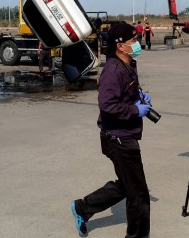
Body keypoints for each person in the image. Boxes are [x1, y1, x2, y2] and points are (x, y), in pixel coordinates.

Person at [71, 22, 152, 238]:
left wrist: (139, 98)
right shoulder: (112, 70)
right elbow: (107, 105)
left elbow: (124, 95)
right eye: (133, 41)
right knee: (138, 194)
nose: (137, 44)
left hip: (125, 135)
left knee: (128, 186)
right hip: (118, 138)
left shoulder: (129, 64)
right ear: (120, 46)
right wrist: (134, 110)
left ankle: (83, 207)